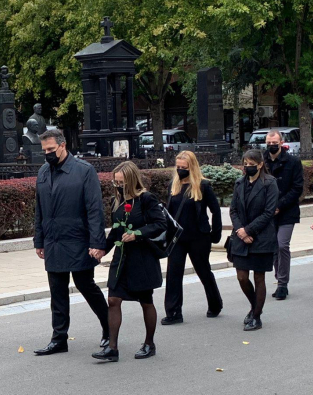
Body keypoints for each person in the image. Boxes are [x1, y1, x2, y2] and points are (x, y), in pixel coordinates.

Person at [33, 129, 111, 355]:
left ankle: (109, 329)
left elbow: (95, 210)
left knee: (86, 286)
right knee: (57, 292)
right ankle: (59, 339)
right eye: (44, 150)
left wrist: (98, 243)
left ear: (63, 145)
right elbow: (40, 209)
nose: (47, 153)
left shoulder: (84, 171)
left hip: (78, 240)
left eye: (50, 149)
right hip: (54, 241)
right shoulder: (43, 172)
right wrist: (40, 240)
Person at [93, 162, 167, 362]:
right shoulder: (116, 200)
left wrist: (137, 234)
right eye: (115, 182)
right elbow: (116, 232)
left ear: (132, 180)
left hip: (142, 258)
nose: (117, 186)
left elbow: (160, 224)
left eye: (121, 182)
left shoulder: (146, 199)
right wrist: (102, 250)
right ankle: (112, 348)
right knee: (113, 299)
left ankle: (149, 343)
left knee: (145, 301)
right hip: (121, 257)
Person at [161, 151, 223, 325]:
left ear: (192, 167)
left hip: (198, 237)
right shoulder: (173, 186)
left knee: (203, 271)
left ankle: (215, 304)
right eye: (178, 167)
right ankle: (173, 312)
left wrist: (215, 234)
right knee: (173, 274)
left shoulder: (203, 186)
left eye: (184, 167)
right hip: (177, 238)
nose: (180, 170)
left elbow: (215, 210)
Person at [229, 150, 279, 331]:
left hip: (262, 237)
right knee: (242, 276)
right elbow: (233, 209)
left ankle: (256, 316)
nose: (247, 167)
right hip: (241, 236)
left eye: (251, 164)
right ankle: (254, 306)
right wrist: (241, 231)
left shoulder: (270, 183)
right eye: (245, 163)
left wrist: (249, 230)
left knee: (259, 277)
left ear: (259, 164)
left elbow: (268, 212)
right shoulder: (239, 183)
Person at [264, 130, 304, 300]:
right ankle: (278, 279)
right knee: (273, 248)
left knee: (282, 245)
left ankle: (282, 284)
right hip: (268, 212)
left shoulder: (293, 162)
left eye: (275, 142)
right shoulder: (262, 161)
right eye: (269, 142)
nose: (272, 145)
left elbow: (297, 188)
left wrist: (279, 205)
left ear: (281, 142)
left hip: (287, 211)